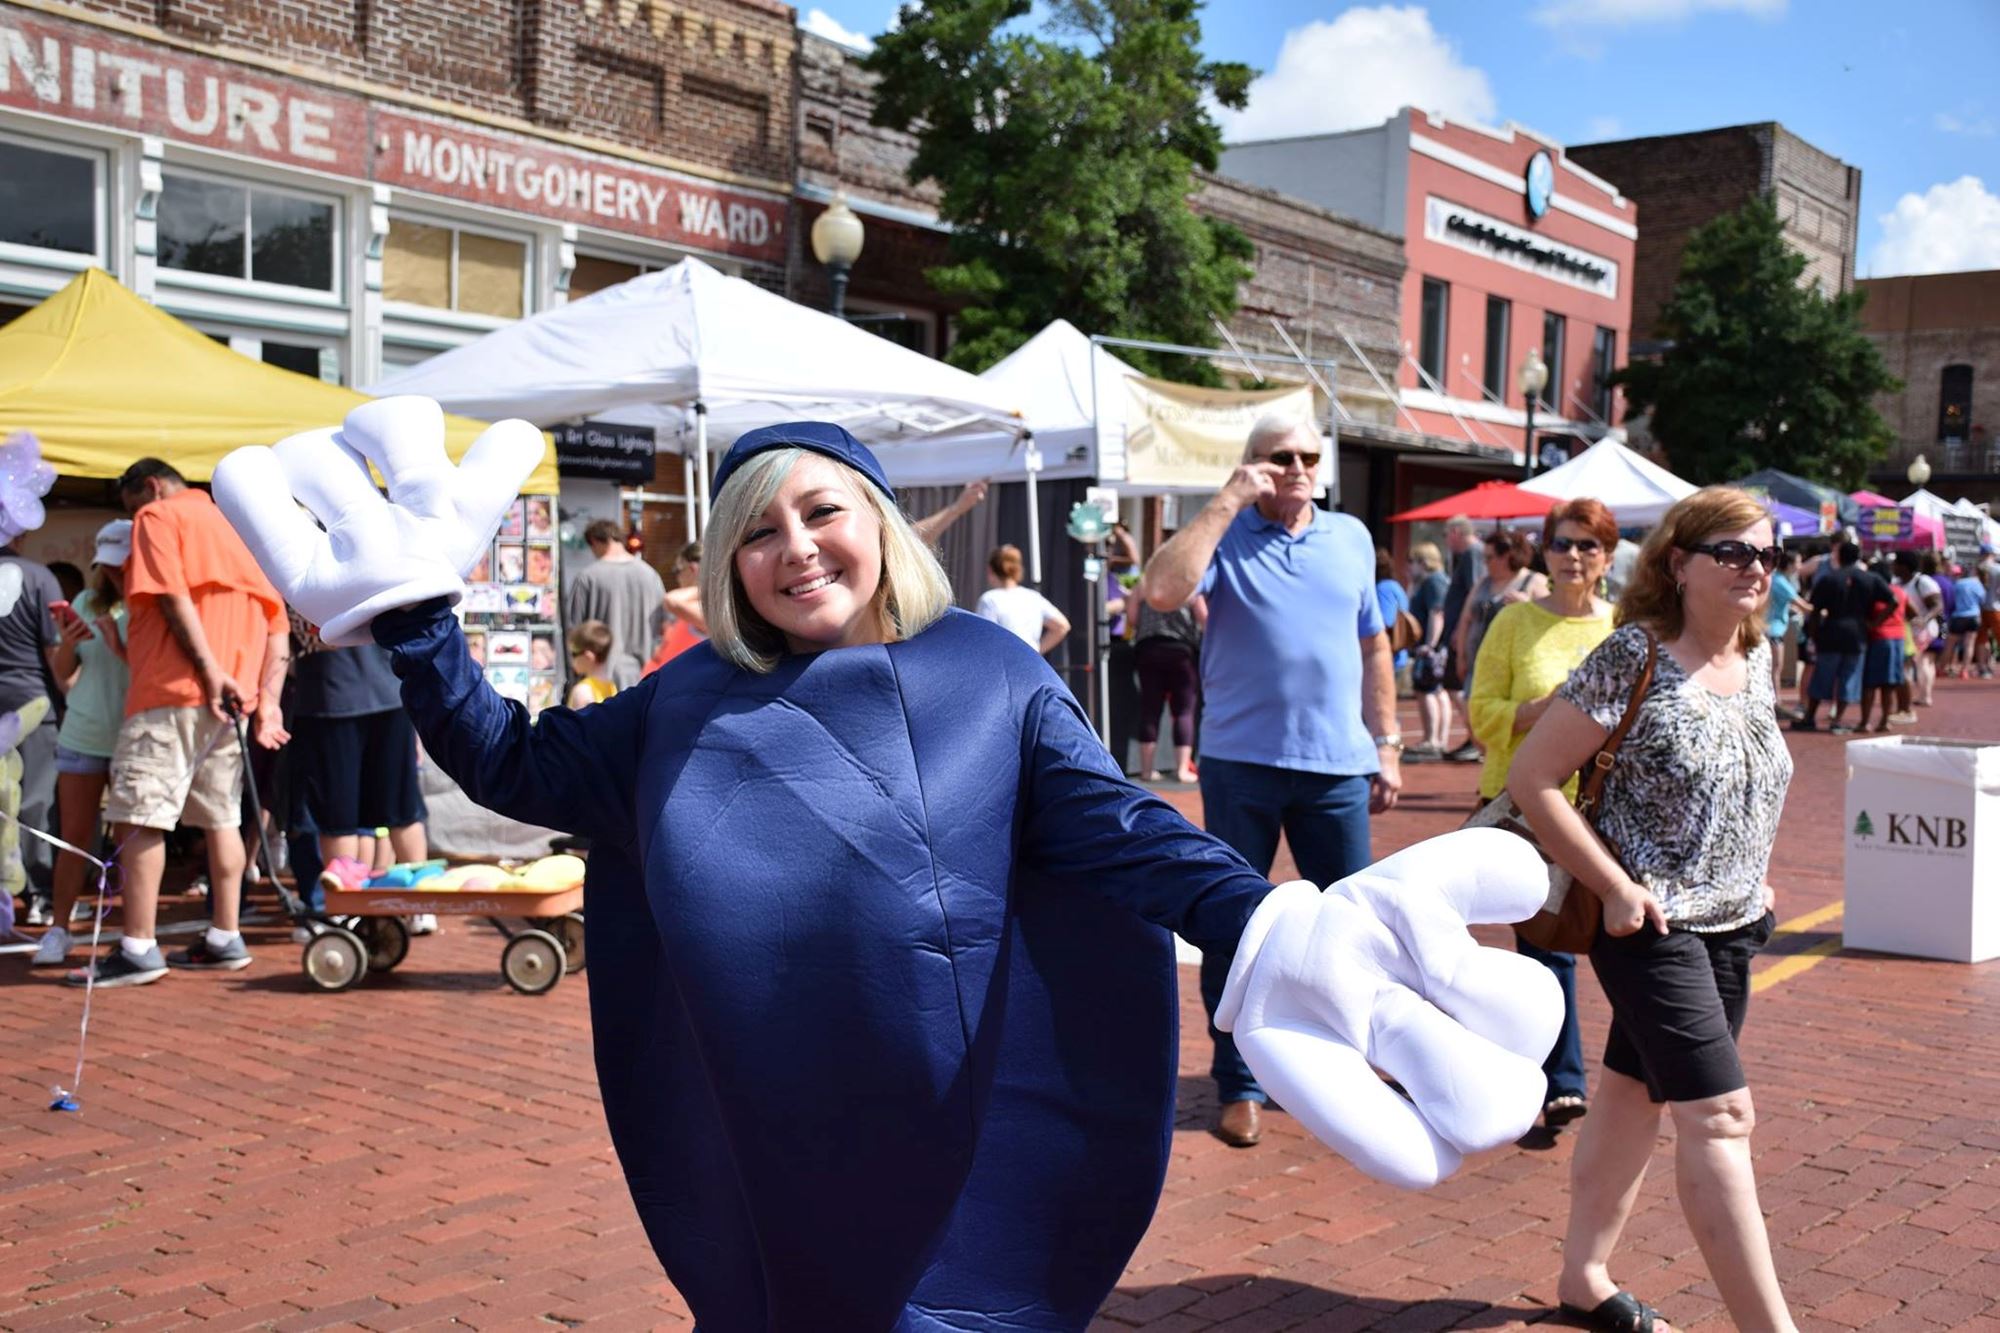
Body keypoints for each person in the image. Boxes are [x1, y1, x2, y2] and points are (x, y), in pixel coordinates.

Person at [216, 400, 1561, 1331]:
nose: (794, 547)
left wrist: (1266, 923)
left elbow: (1115, 827)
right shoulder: (677, 706)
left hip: (960, 1144)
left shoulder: (987, 672)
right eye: (758, 529)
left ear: (876, 519)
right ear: (728, 563)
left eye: (819, 512)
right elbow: (515, 765)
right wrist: (420, 628)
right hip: (771, 1146)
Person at [1511, 487, 1796, 1333]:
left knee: (1633, 1095)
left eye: (1767, 555)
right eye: (1733, 552)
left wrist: (1757, 871)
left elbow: (1749, 777)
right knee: (1721, 1114)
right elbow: (1533, 780)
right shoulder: (1632, 653)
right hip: (1651, 924)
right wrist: (1612, 885)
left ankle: (1583, 1277)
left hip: (1736, 924)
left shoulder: (1760, 655)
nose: (1755, 569)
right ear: (1678, 562)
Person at [1141, 413, 1402, 1149]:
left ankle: (1351, 1063)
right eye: (1278, 456)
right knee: (1235, 924)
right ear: (1252, 462)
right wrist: (1228, 498)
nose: (1295, 467)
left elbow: (1373, 644)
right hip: (1241, 763)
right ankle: (1238, 1082)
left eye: (1307, 456)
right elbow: (1162, 591)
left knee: (1353, 928)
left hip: (1337, 766)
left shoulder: (1349, 537)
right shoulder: (1225, 532)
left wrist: (1388, 742)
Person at [69, 459, 289, 987]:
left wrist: (211, 674)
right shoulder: (239, 530)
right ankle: (224, 935)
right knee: (220, 818)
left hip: (175, 694)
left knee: (141, 815)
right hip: (231, 702)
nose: (136, 517)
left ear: (149, 486)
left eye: (132, 505)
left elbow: (170, 595)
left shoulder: (160, 517)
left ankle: (140, 947)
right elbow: (276, 627)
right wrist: (268, 702)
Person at [1467, 498, 1618, 1131]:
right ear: (1544, 552)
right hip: (1526, 808)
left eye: (1588, 545)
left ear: (1608, 556)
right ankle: (1561, 1081)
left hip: (1608, 808)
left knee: (1616, 944)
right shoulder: (1513, 624)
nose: (1574, 557)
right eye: (1562, 544)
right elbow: (1482, 715)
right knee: (1544, 946)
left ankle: (1603, 1079)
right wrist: (1548, 709)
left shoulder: (1625, 627)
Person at [283, 619, 431, 929]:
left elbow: (301, 634)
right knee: (400, 809)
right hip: (383, 691)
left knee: (342, 818)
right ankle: (419, 905)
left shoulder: (300, 575)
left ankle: (345, 907)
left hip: (331, 697)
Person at [32, 522, 133, 966]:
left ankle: (133, 937)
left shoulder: (154, 604)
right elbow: (64, 674)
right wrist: (68, 644)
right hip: (84, 732)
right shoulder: (88, 601)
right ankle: (58, 928)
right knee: (73, 837)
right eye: (105, 566)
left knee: (134, 843)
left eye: (120, 564)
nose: (112, 573)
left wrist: (115, 644)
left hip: (135, 734)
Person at [1795, 541, 1893, 735]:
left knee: (1822, 675)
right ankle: (1838, 720)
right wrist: (1874, 623)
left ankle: (1810, 717)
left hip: (1831, 630)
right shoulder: (1869, 578)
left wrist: (1814, 634)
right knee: (1849, 678)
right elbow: (1893, 601)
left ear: (1838, 556)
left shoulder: (1829, 579)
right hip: (1857, 633)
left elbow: (1815, 611)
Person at [565, 519, 665, 689]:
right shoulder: (651, 575)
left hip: (599, 682)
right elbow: (663, 628)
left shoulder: (588, 577)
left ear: (595, 542)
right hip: (645, 679)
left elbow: (573, 630)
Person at [1456, 529, 1547, 708]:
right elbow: (1466, 619)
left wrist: (1528, 605)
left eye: (1489, 558)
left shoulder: (1534, 581)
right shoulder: (1483, 582)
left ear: (1507, 556)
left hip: (1512, 667)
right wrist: (1461, 656)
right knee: (1475, 714)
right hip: (1479, 664)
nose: (1485, 563)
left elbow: (1549, 619)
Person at [1133, 562, 1204, 783]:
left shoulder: (1145, 583)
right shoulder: (1190, 584)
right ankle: (1182, 770)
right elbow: (1204, 618)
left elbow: (1133, 617)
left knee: (1149, 709)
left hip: (1148, 649)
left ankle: (1146, 770)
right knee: (1184, 710)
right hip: (1182, 652)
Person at [974, 544, 1070, 655]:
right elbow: (1062, 626)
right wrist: (1036, 652)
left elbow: (985, 639)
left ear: (990, 570)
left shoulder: (990, 600)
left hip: (1005, 665)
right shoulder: (1034, 597)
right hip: (1031, 665)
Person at [1406, 542, 1453, 761]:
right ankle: (1436, 738)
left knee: (1427, 690)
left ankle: (1433, 738)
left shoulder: (1433, 582)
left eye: (1412, 561)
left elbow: (1437, 613)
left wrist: (1430, 645)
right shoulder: (1431, 581)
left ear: (1422, 562)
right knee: (1435, 690)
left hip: (1430, 646)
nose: (1408, 567)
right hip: (1431, 645)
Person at [1858, 567, 1909, 733]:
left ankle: (1865, 721)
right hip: (1898, 639)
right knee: (1889, 684)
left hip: (1879, 638)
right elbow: (1912, 612)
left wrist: (1874, 624)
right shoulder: (1901, 592)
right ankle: (1884, 720)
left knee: (1869, 684)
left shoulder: (1875, 593)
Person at [1764, 549, 1805, 715]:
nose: (1800, 566)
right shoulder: (1781, 581)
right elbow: (1802, 604)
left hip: (1771, 628)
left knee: (1773, 667)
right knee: (1775, 667)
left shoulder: (1779, 579)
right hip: (1773, 629)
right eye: (1798, 562)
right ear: (1789, 564)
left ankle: (1775, 700)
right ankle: (1776, 702)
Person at [1943, 563, 1988, 678]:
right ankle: (1965, 670)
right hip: (1973, 616)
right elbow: (1983, 600)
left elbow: (1951, 600)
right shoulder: (1978, 584)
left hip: (1958, 616)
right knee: (1969, 644)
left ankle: (1942, 667)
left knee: (1950, 644)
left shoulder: (1957, 583)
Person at [565, 620, 618, 707]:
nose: (571, 660)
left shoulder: (582, 691)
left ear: (588, 656)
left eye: (574, 654)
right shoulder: (612, 687)